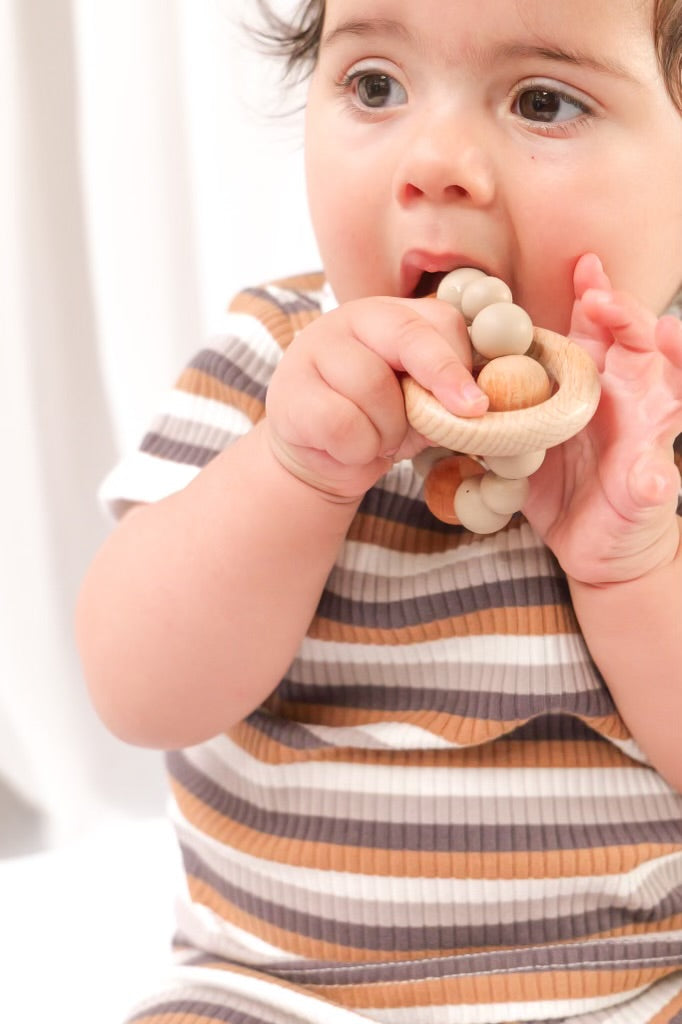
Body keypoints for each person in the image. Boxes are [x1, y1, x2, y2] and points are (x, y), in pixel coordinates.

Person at [75, 1, 682, 1021]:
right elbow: (138, 694)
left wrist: (631, 564)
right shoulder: (271, 370)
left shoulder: (655, 419)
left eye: (542, 99)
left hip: (628, 990)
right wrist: (293, 474)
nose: (434, 160)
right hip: (278, 991)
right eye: (374, 85)